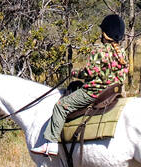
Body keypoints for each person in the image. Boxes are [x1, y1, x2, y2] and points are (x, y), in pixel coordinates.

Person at [42, 14, 129, 146]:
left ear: (105, 34)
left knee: (61, 106)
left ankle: (51, 143)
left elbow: (89, 72)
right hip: (112, 91)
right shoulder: (122, 52)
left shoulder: (100, 50)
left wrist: (74, 72)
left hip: (95, 92)